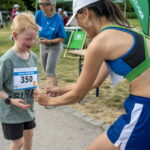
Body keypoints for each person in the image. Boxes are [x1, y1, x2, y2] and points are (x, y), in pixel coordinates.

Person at [34, 0, 150, 150]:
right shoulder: (130, 29)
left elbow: (79, 95)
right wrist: (60, 90)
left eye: (77, 19)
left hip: (144, 109)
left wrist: (47, 101)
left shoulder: (100, 42)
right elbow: (94, 82)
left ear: (86, 13)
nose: (80, 26)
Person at [0, 13, 38, 150]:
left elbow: (33, 81)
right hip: (11, 112)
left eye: (34, 39)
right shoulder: (7, 60)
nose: (32, 42)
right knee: (18, 142)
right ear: (15, 36)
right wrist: (10, 100)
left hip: (27, 109)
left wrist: (36, 90)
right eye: (28, 39)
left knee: (29, 134)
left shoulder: (33, 57)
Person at [35, 0, 66, 86]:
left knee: (50, 70)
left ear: (52, 5)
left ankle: (54, 93)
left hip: (55, 46)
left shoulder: (58, 18)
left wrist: (50, 41)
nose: (42, 6)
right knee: (45, 70)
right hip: (43, 45)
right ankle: (51, 89)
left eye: (46, 4)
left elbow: (62, 38)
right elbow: (32, 26)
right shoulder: (39, 14)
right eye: (41, 4)